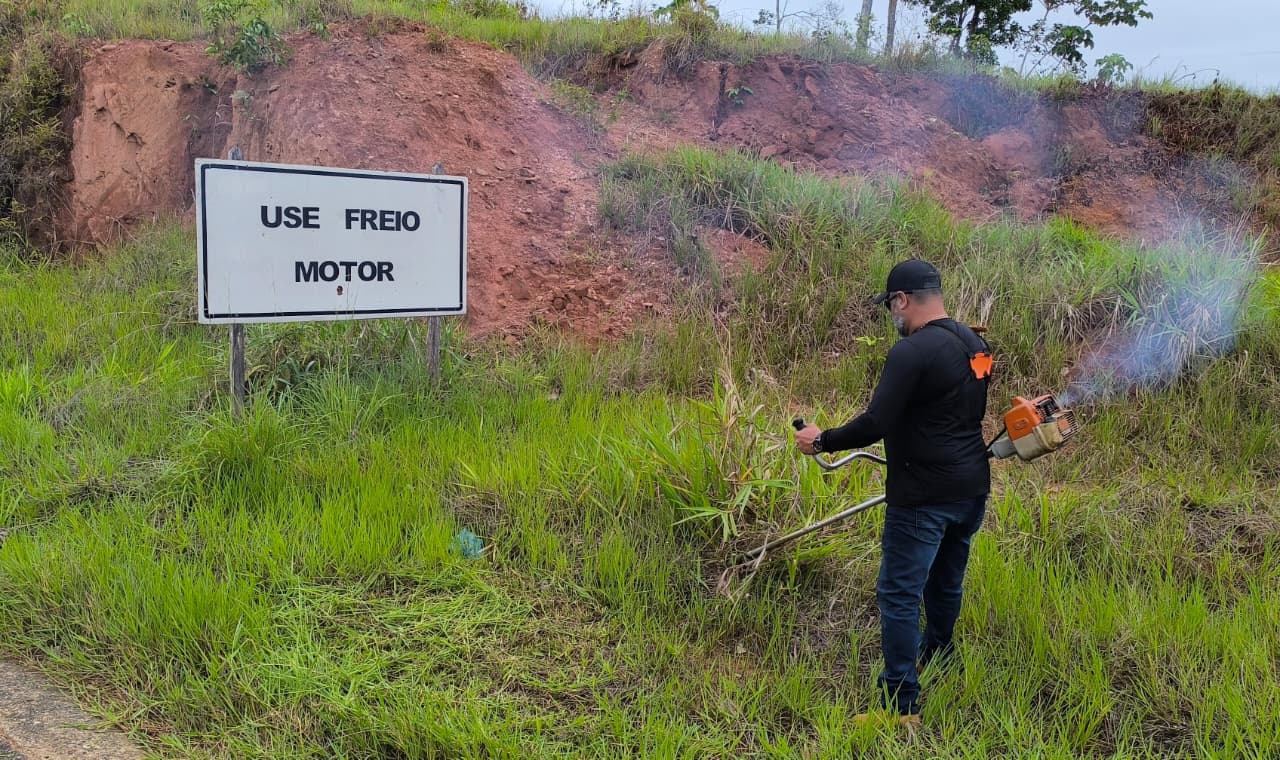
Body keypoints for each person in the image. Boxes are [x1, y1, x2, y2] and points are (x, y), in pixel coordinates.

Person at [794, 258, 992, 729]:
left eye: (890, 306)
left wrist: (821, 440)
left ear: (902, 300)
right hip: (971, 489)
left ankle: (900, 707)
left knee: (899, 595)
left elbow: (875, 423)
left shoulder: (911, 352)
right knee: (945, 581)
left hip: (923, 497)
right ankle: (939, 653)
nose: (892, 316)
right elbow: (953, 414)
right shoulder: (975, 344)